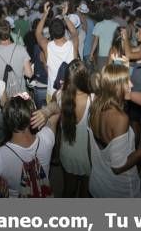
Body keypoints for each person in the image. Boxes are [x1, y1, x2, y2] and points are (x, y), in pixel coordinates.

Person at [87, 64, 141, 198]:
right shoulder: (120, 118)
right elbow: (118, 167)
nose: (131, 84)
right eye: (126, 82)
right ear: (115, 87)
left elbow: (92, 149)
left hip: (98, 183)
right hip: (119, 190)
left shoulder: (94, 106)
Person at [31, 59, 94, 197]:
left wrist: (46, 111)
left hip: (67, 154)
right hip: (88, 157)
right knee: (85, 194)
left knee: (68, 191)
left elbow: (53, 108)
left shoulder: (59, 95)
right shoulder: (93, 99)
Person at [0, 94, 59, 197]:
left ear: (7, 121)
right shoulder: (46, 138)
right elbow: (56, 110)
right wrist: (46, 112)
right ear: (33, 116)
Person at [35, 2, 79, 103]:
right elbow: (74, 33)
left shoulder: (47, 46)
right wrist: (65, 16)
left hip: (53, 93)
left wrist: (45, 14)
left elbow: (37, 33)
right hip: (70, 92)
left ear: (50, 32)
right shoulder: (72, 45)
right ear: (64, 30)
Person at [0, 19, 33, 96]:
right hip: (21, 94)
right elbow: (29, 74)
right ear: (10, 32)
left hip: (2, 95)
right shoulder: (21, 49)